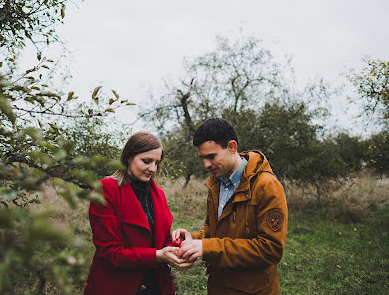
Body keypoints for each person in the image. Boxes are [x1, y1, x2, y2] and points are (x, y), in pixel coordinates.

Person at [172, 118, 288, 294]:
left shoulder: (266, 186)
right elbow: (213, 230)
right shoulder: (216, 184)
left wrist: (206, 247)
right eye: (202, 158)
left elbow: (270, 249)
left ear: (232, 147)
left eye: (211, 156)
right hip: (219, 288)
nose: (206, 165)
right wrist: (193, 240)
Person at [84, 132, 192, 295]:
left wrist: (178, 247)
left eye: (156, 162)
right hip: (117, 286)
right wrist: (157, 255)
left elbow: (161, 240)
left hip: (157, 286)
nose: (153, 169)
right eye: (146, 161)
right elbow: (109, 252)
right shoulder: (107, 189)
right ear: (129, 157)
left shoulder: (158, 194)